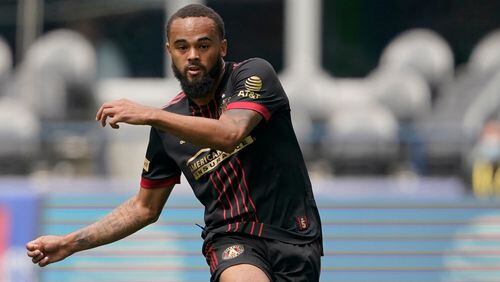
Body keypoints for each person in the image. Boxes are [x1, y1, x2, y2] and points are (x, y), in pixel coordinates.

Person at [26, 4, 323, 281]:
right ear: (170, 51)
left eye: (203, 45)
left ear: (222, 48)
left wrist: (151, 114)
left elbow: (230, 134)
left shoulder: (253, 75)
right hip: (231, 238)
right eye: (182, 47)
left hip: (295, 236)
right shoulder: (166, 123)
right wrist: (70, 243)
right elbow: (144, 208)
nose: (192, 55)